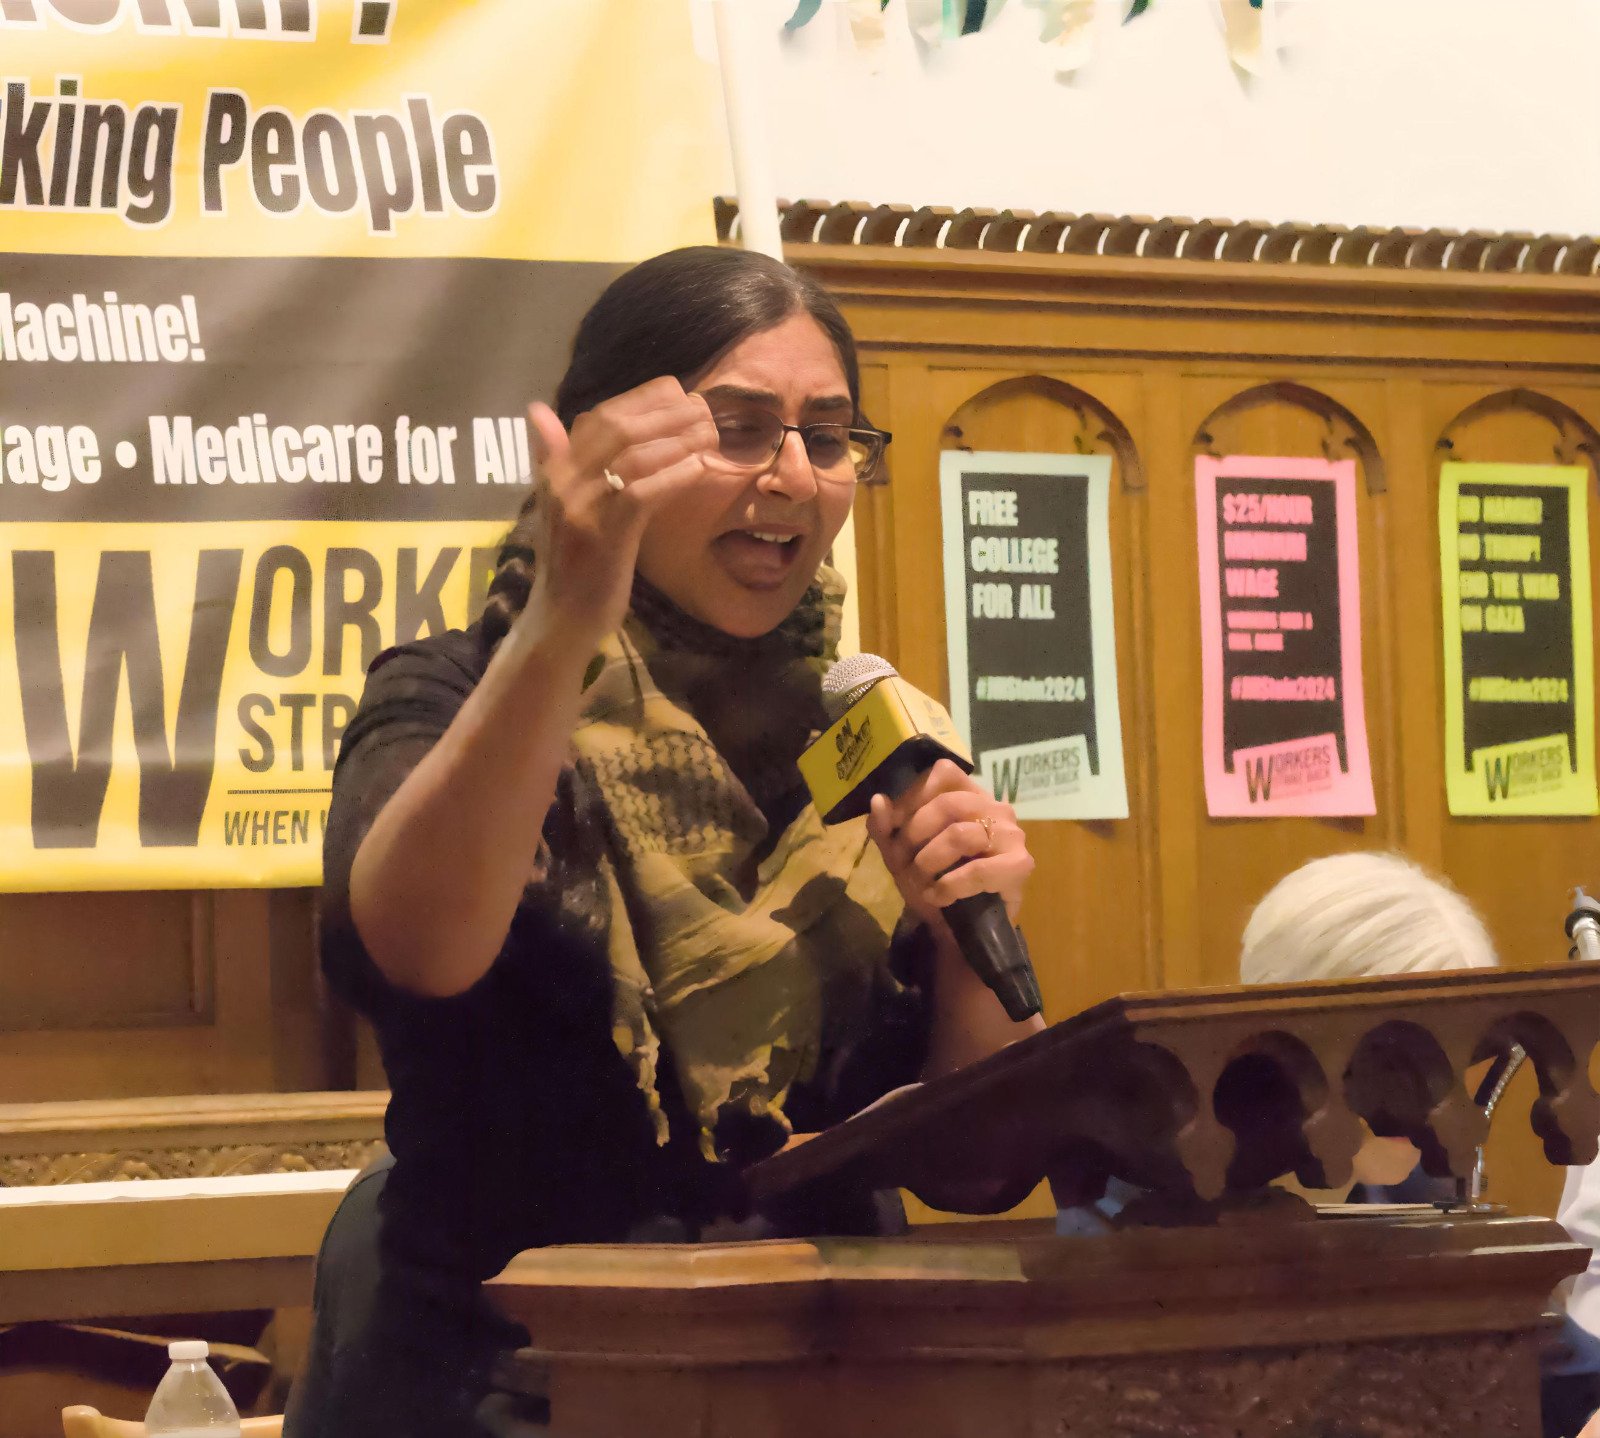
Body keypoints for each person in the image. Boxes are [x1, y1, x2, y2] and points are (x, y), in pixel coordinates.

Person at [283, 246, 1043, 1438]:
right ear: (607, 453)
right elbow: (414, 953)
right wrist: (563, 621)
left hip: (823, 1386)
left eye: (828, 437)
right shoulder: (457, 695)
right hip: (502, 1385)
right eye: (739, 429)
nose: (791, 475)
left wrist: (965, 938)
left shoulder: (872, 733)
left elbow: (977, 1168)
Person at [1239, 851, 1497, 1203]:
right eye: (1387, 1053)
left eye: (1450, 1052)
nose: (1424, 1094)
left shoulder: (1428, 1198)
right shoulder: (1161, 1208)